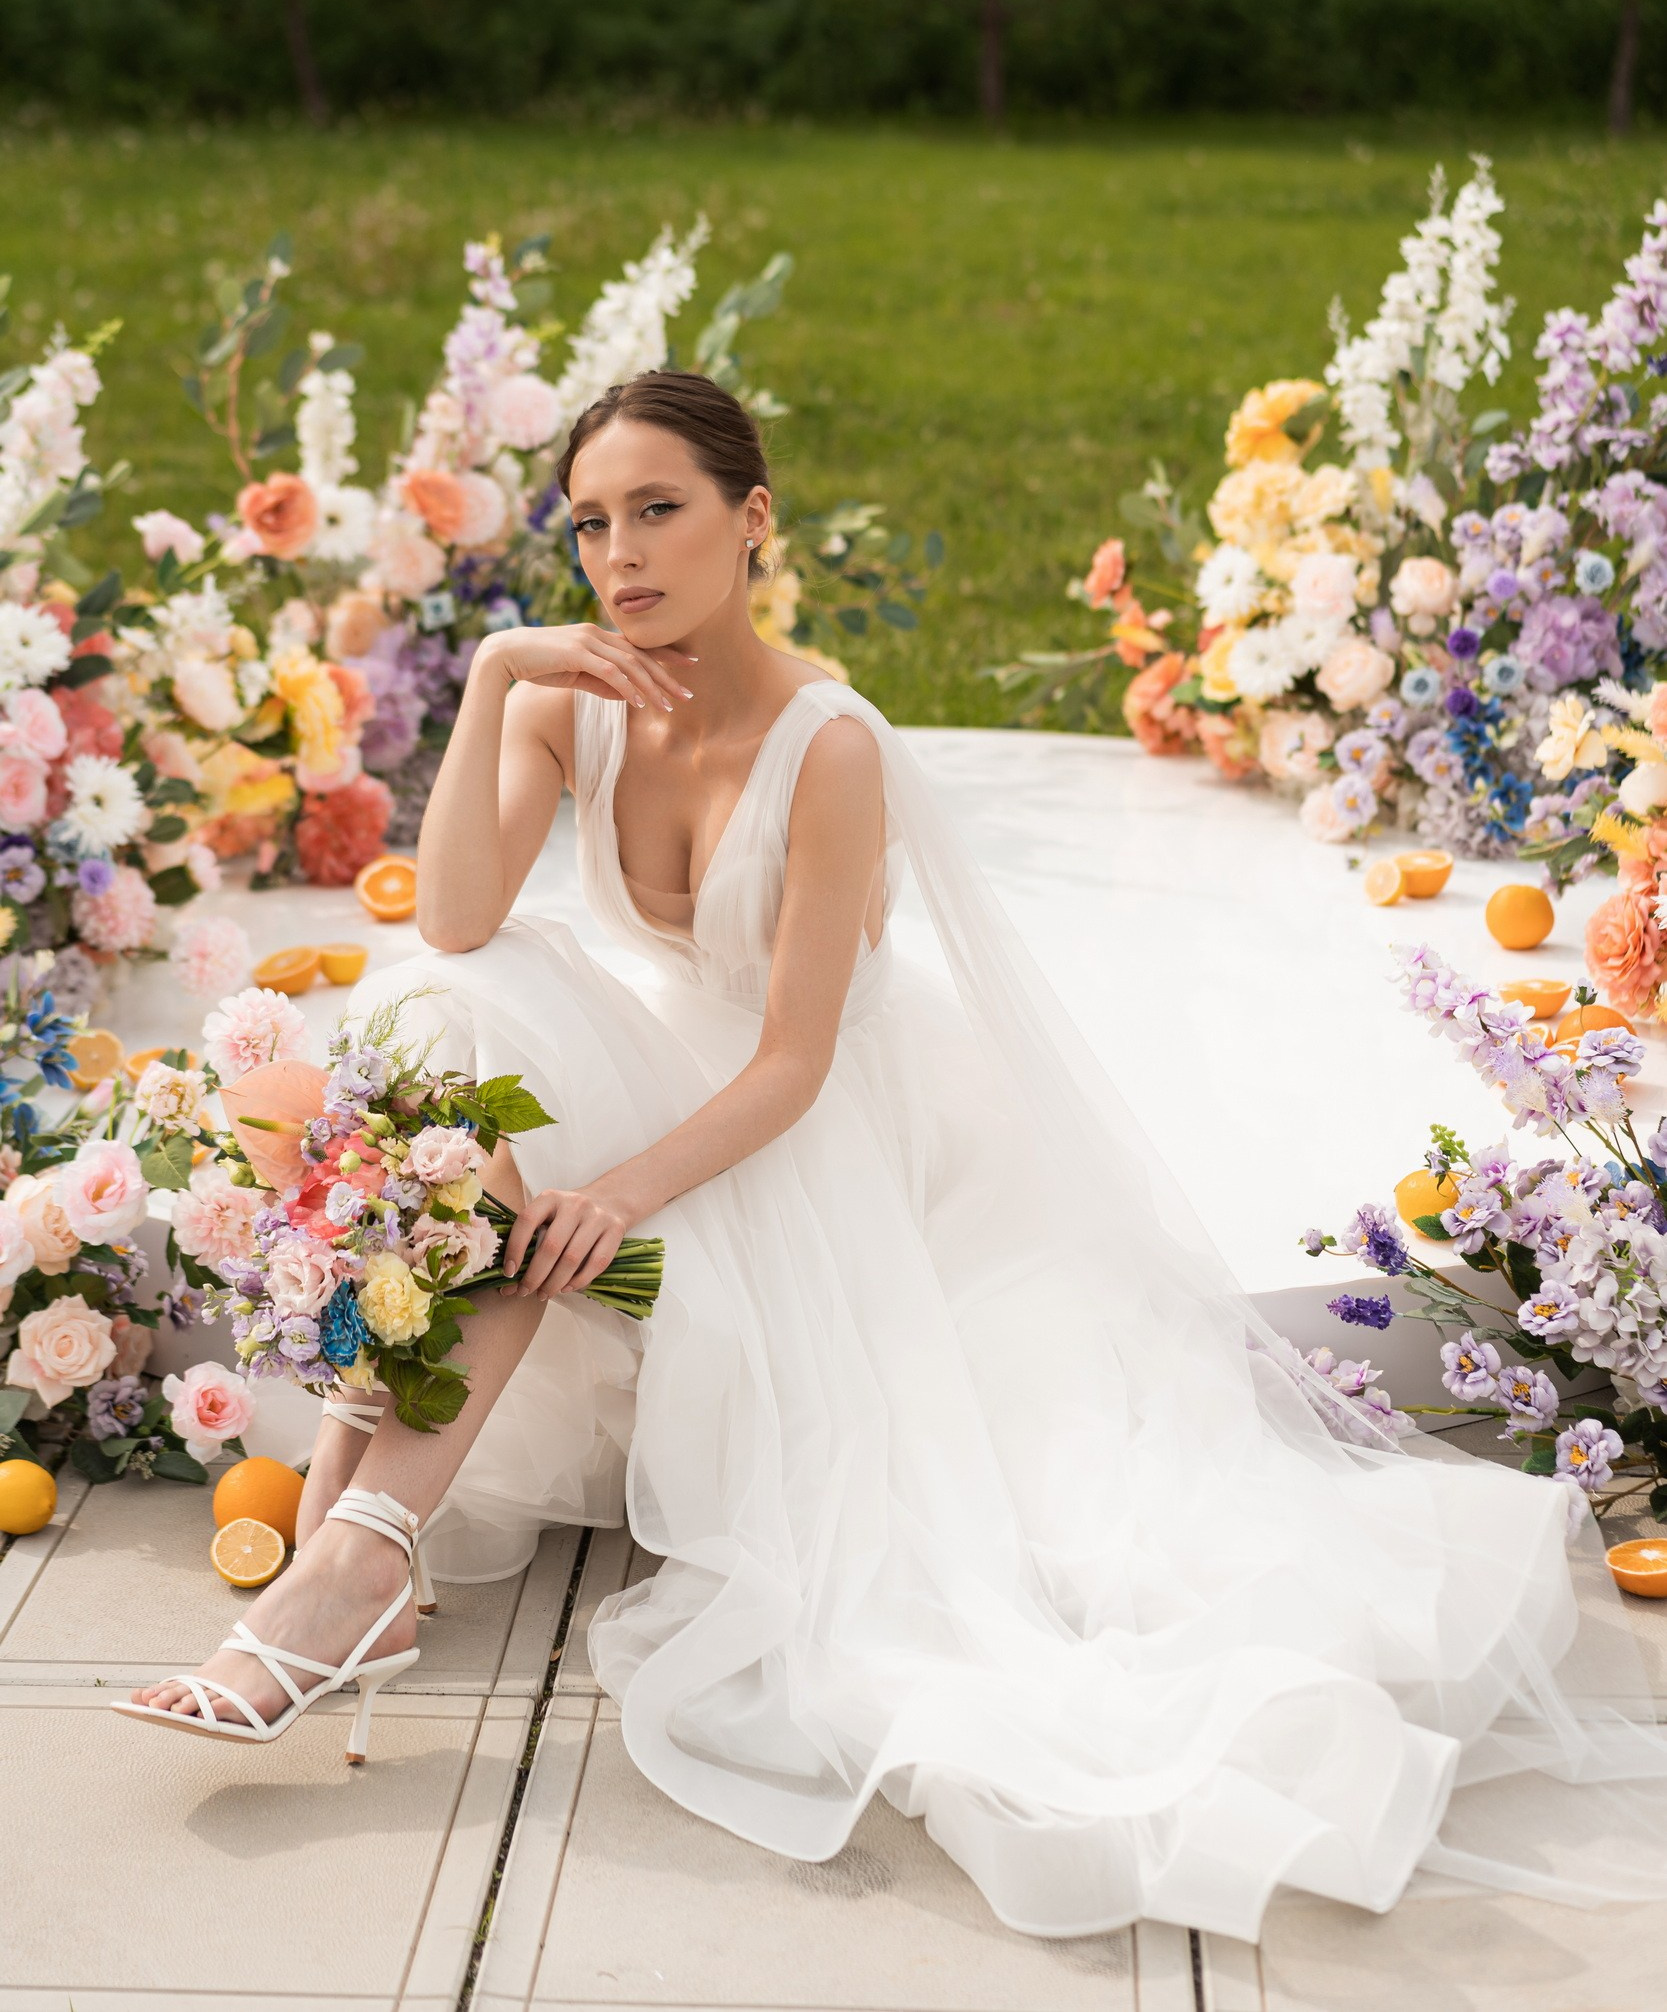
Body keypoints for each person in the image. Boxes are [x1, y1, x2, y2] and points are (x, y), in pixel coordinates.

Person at [120, 371, 1667, 1942]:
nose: (621, 555)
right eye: (589, 524)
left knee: (518, 1138)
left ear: (752, 519)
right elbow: (455, 914)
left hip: (803, 1130)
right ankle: (356, 1554)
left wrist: (620, 1189)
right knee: (444, 1008)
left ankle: (345, 1557)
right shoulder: (564, 692)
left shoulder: (830, 746)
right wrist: (496, 675)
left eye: (659, 510)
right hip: (652, 1066)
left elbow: (794, 1063)